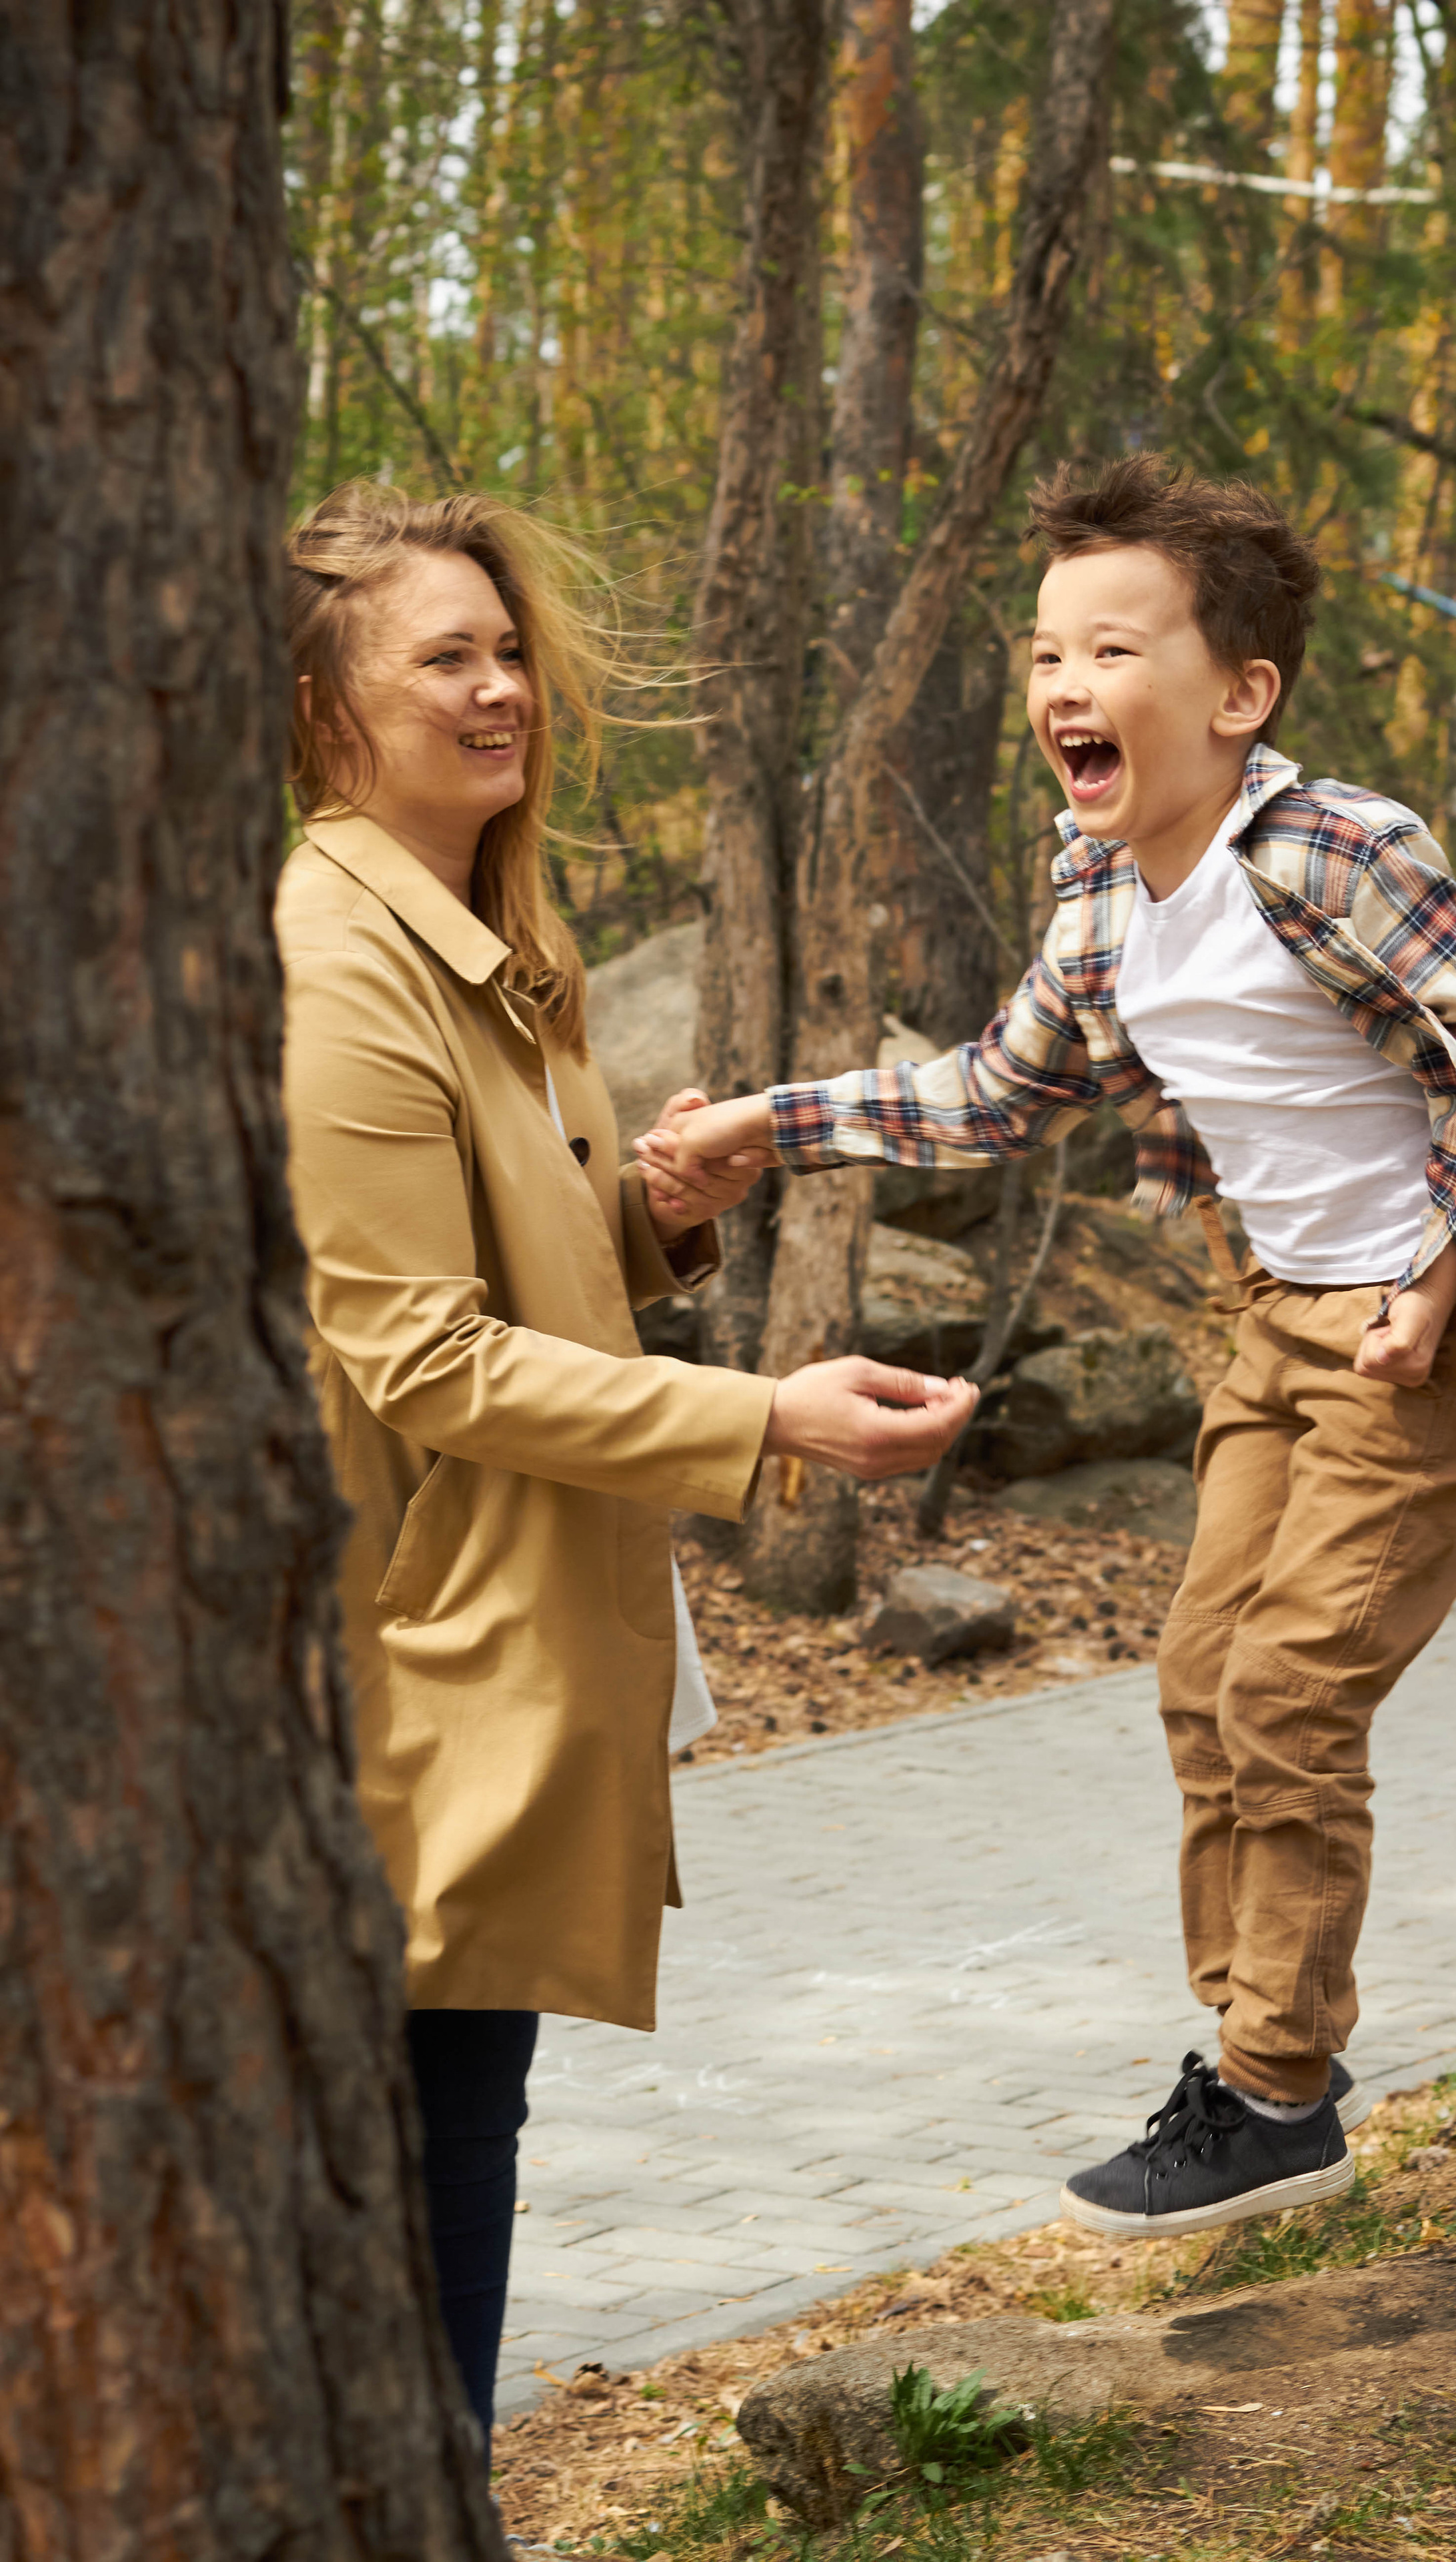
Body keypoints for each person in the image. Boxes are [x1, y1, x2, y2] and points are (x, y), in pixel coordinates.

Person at [639, 454, 1456, 2240]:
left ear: (1239, 693)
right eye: (1047, 652)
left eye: (1109, 649)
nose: (1063, 686)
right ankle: (1254, 2061)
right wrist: (766, 1121)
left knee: (1291, 1693)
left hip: (1429, 1341)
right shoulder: (1101, 885)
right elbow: (996, 1097)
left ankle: (1279, 2082)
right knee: (1203, 1676)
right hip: (1270, 1321)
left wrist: (1443, 1277)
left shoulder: (1336, 853)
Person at [275, 480, 976, 2443]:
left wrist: (657, 1216)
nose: (503, 690)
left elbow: (513, 1277)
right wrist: (767, 1419)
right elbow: (417, 1352)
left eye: (510, 653)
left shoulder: (490, 938)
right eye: (449, 658)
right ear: (327, 706)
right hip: (413, 1662)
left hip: (500, 1638)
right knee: (422, 2133)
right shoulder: (335, 959)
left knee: (457, 2116)